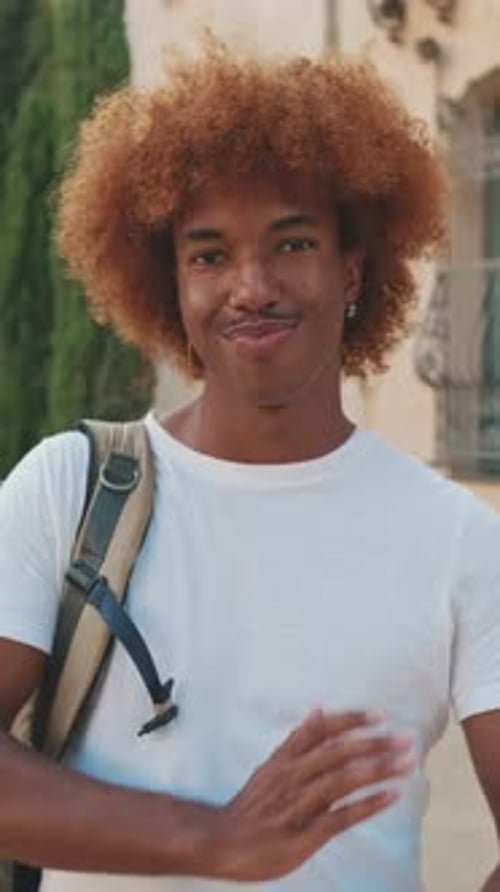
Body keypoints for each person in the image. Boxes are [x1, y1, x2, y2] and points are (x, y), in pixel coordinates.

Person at [0, 40, 499, 892]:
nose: (251, 285)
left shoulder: (458, 540)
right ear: (170, 286)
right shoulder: (69, 490)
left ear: (352, 269)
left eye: (292, 243)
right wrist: (216, 839)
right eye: (209, 255)